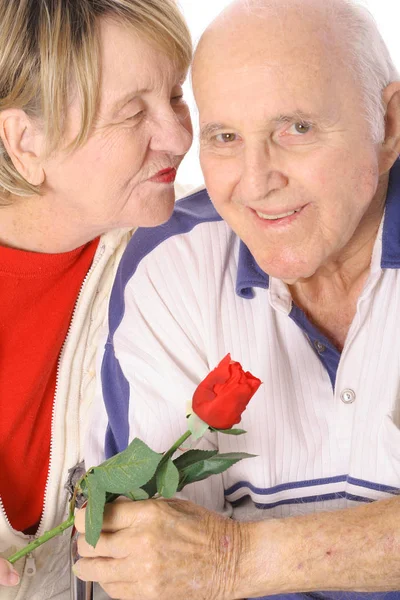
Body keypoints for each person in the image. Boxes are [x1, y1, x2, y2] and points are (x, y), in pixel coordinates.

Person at [76, 0, 400, 598]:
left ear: (390, 123)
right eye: (225, 136)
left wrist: (240, 559)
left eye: (295, 128)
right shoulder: (171, 265)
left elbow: (200, 565)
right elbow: (156, 563)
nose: (254, 182)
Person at [0, 0, 192, 598]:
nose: (181, 136)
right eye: (133, 113)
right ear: (26, 140)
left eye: (177, 95)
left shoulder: (180, 252)